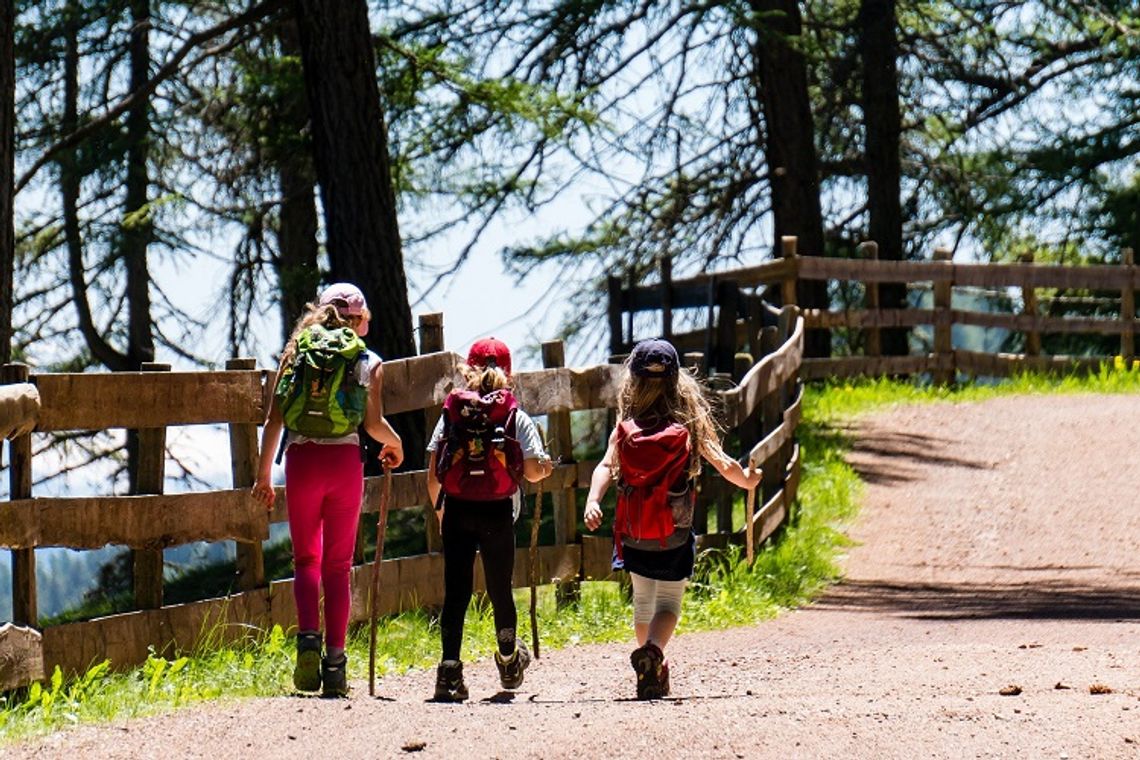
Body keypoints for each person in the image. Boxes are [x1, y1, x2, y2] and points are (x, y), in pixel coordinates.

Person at [584, 338, 761, 700]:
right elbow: (722, 462)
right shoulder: (688, 422)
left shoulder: (626, 424)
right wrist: (747, 479)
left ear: (631, 381)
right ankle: (653, 653)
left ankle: (651, 666)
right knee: (668, 605)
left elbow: (606, 465)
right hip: (675, 533)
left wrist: (593, 499)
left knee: (643, 602)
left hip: (634, 534)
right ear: (677, 380)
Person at [252, 282, 404, 698]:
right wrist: (396, 444)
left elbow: (273, 422)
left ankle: (307, 642)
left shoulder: (296, 353)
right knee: (338, 567)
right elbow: (372, 425)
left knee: (306, 561)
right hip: (344, 464)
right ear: (360, 320)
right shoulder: (368, 361)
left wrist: (264, 477)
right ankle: (335, 664)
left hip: (302, 461)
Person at [426, 337, 553, 702]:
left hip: (458, 509)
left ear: (468, 370)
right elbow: (530, 470)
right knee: (500, 590)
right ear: (509, 373)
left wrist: (440, 511)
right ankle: (510, 661)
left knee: (456, 593)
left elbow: (434, 471)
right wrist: (545, 468)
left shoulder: (452, 414)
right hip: (498, 511)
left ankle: (449, 672)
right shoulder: (514, 415)